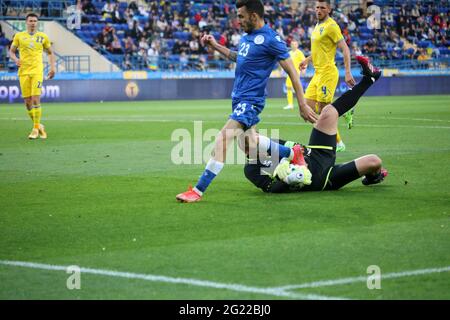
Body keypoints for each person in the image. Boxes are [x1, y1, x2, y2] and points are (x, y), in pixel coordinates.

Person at [176, 0, 317, 203]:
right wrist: (215, 46)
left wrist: (302, 103)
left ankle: (197, 190)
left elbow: (292, 72)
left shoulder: (272, 39)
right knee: (250, 145)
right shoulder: (246, 38)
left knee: (223, 138)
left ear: (253, 16)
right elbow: (238, 57)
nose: (238, 20)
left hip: (251, 101)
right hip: (239, 99)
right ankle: (292, 152)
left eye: (241, 16)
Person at [244, 56, 388, 193]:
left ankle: (370, 78)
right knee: (374, 161)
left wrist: (298, 157)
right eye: (248, 142)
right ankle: (374, 176)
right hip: (322, 178)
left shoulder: (272, 144)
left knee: (328, 112)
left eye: (254, 135)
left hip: (318, 154)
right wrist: (291, 179)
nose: (253, 141)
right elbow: (273, 188)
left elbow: (298, 149)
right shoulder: (252, 168)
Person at [300, 0, 355, 152]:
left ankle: (338, 143)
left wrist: (348, 71)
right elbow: (320, 49)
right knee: (307, 110)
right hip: (317, 73)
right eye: (317, 7)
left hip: (328, 72)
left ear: (329, 9)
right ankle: (343, 110)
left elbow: (345, 49)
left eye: (322, 8)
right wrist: (307, 59)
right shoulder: (317, 26)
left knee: (324, 111)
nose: (319, 10)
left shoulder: (332, 26)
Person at [9, 13, 56, 139]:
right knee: (27, 103)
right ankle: (39, 125)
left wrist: (52, 68)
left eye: (35, 21)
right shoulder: (19, 36)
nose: (33, 23)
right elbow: (11, 52)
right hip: (23, 72)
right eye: (30, 20)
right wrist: (15, 59)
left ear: (37, 22)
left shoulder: (43, 37)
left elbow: (51, 53)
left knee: (35, 99)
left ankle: (35, 129)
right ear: (26, 22)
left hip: (37, 71)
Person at [283, 39, 306, 110]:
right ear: (290, 45)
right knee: (289, 87)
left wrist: (304, 70)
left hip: (295, 73)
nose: (294, 45)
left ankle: (300, 103)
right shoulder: (289, 53)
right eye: (292, 44)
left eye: (295, 44)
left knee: (294, 88)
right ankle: (290, 104)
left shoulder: (299, 53)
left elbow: (304, 61)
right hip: (289, 72)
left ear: (297, 45)